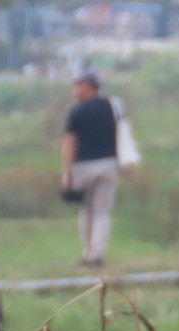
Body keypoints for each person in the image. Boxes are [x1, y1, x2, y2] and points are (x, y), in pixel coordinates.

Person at [61, 69, 119, 268]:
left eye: (79, 85)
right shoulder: (111, 107)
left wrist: (67, 170)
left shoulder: (76, 111)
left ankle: (88, 253)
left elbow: (70, 142)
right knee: (102, 211)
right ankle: (97, 254)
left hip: (83, 165)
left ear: (89, 87)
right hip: (109, 164)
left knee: (86, 210)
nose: (76, 89)